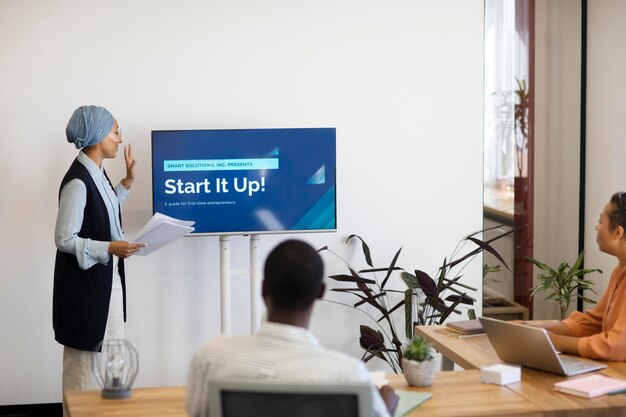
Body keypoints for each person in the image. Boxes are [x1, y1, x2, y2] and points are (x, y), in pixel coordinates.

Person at [186, 239, 399, 417]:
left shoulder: (210, 359)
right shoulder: (349, 376)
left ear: (263, 288)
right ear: (320, 292)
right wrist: (386, 408)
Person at [53, 105, 145, 401]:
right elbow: (64, 238)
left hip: (106, 283)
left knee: (109, 360)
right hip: (86, 289)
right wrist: (110, 247)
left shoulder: (97, 173)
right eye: (116, 131)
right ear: (97, 134)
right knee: (83, 371)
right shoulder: (79, 180)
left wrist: (127, 183)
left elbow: (103, 208)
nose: (119, 139)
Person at [529, 192, 626, 361]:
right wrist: (540, 330)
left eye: (600, 222)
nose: (597, 228)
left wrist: (554, 341)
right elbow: (594, 323)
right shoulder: (620, 270)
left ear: (617, 232)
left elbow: (616, 345)